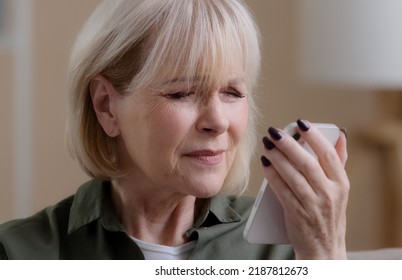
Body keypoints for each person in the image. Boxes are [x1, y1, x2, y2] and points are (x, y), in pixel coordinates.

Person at [0, 0, 349, 260]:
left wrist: (325, 252)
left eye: (232, 92)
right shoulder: (19, 253)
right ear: (106, 106)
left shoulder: (286, 251)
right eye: (181, 93)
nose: (218, 121)